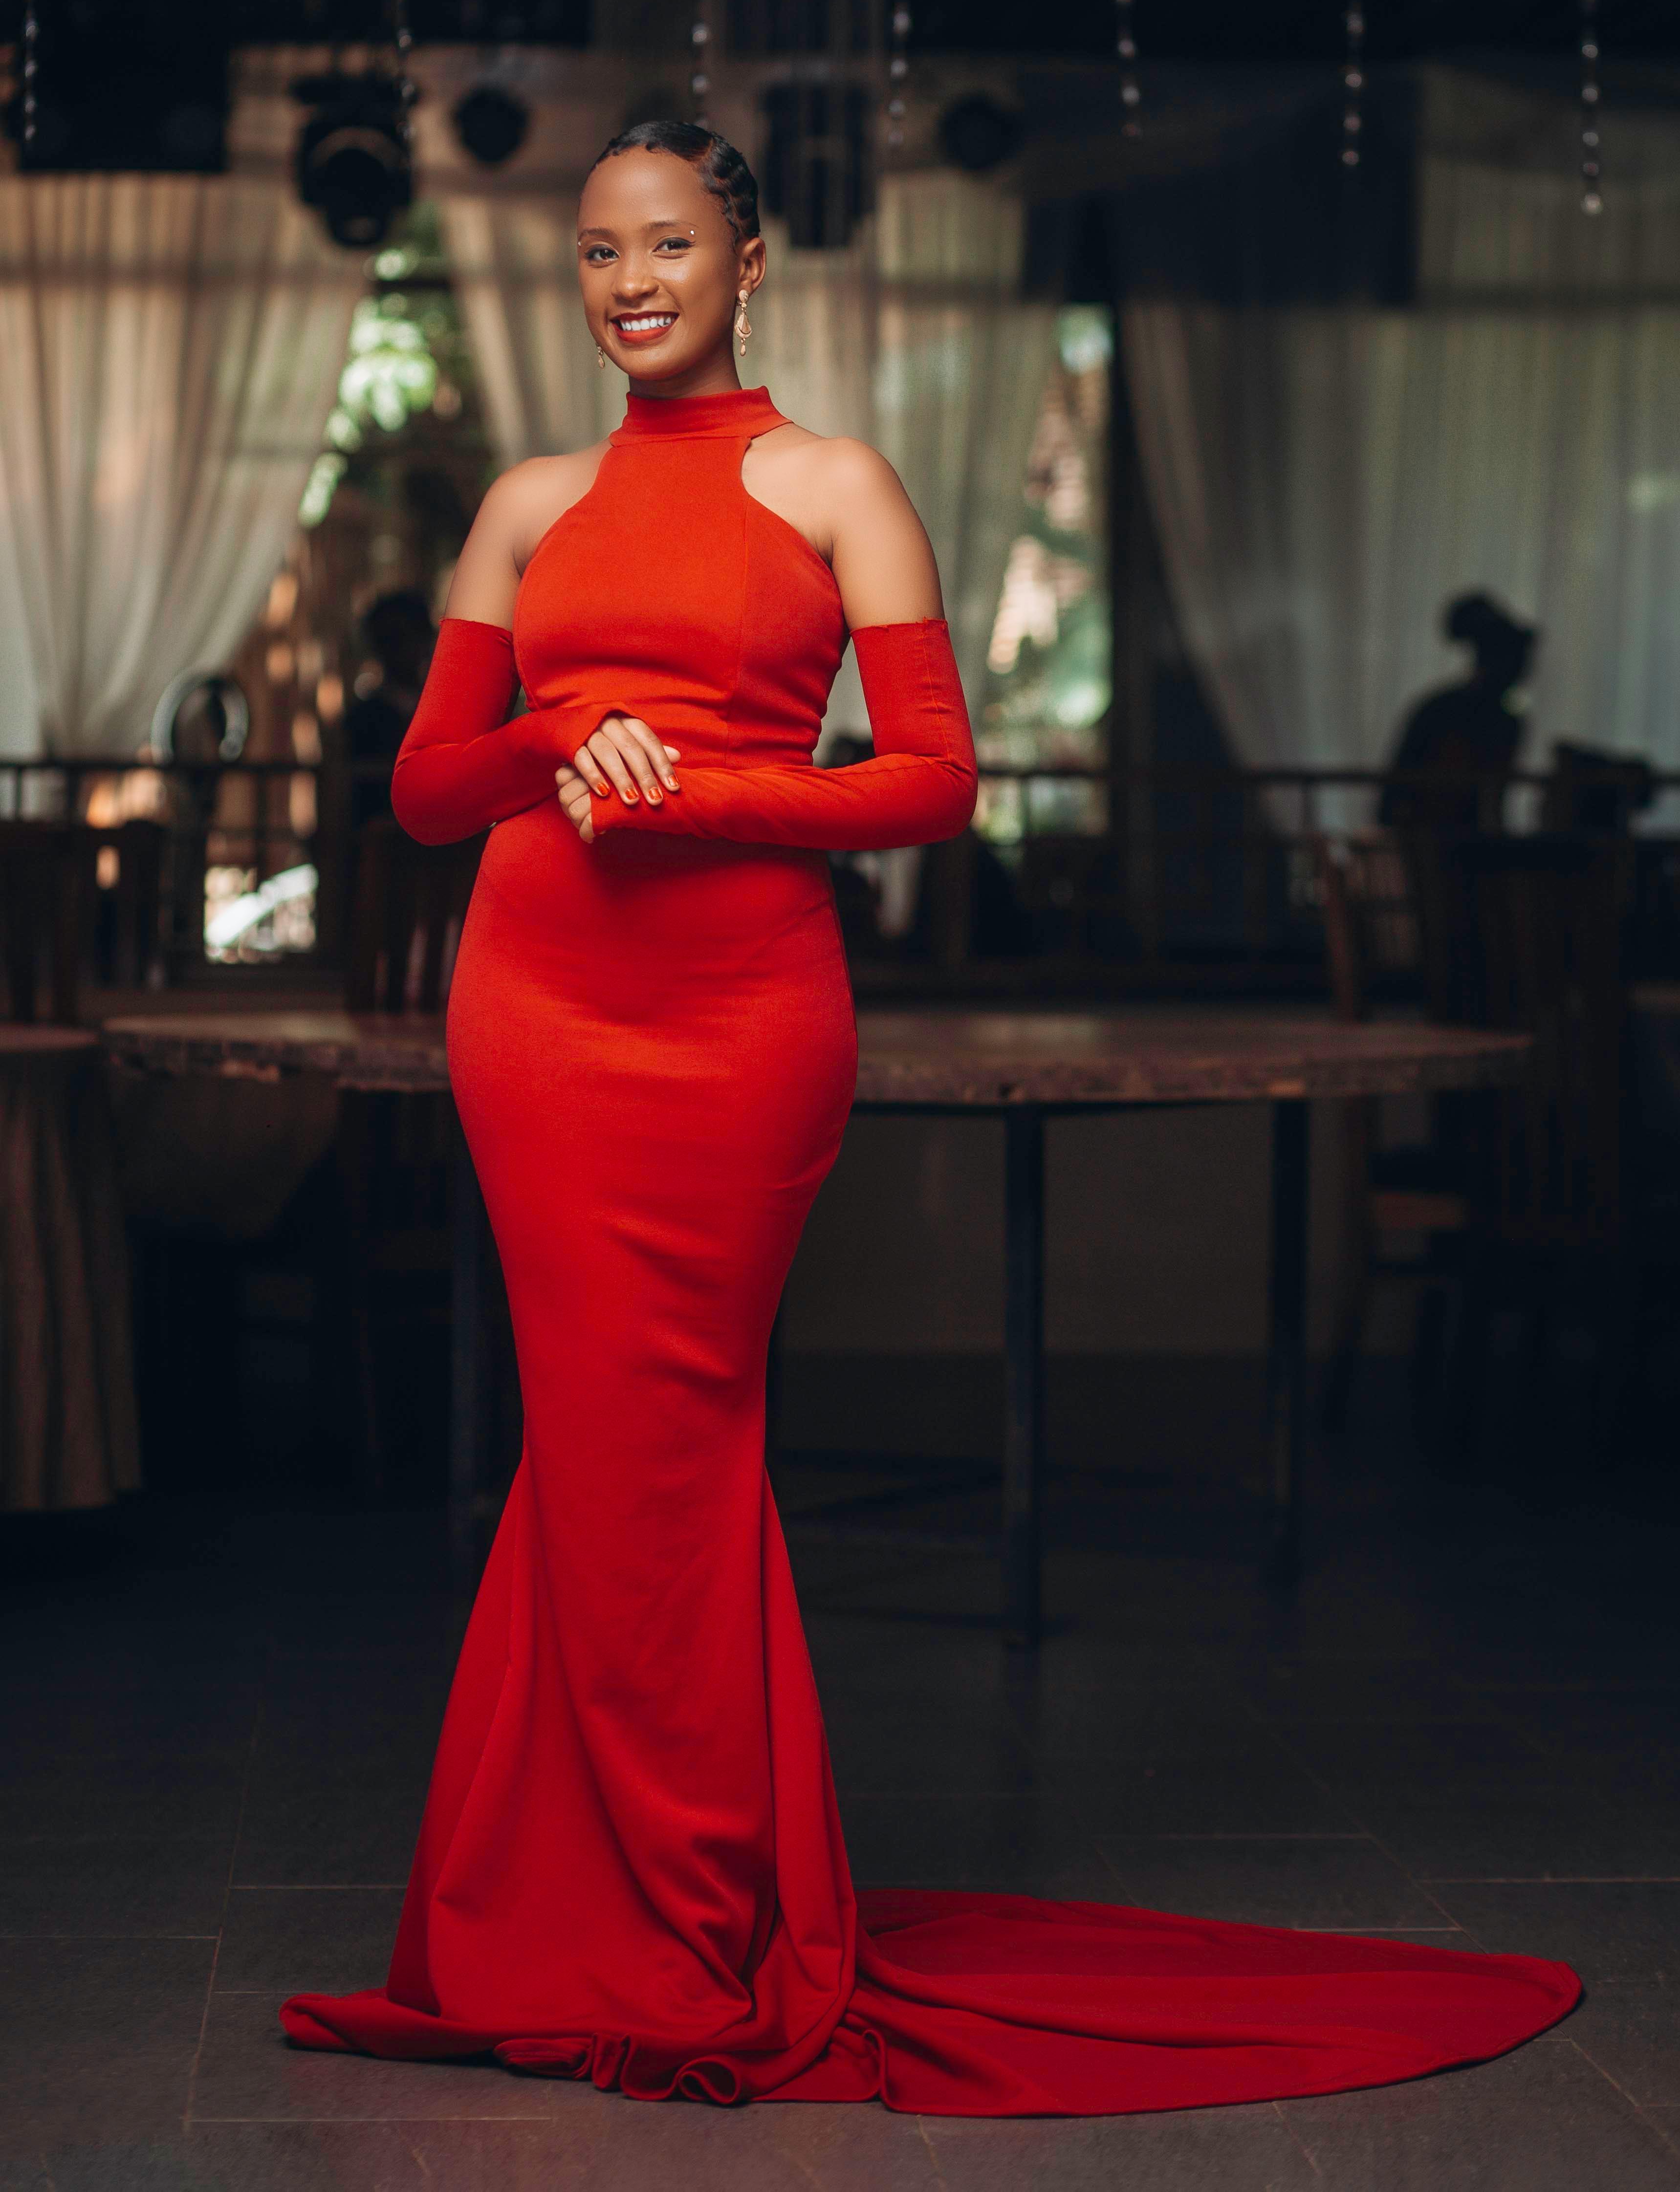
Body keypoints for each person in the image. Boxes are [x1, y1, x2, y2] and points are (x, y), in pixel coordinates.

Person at [282, 123, 1577, 2112]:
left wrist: (704, 791)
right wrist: (552, 734)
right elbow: (428, 792)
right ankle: (568, 1911)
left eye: (670, 243)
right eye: (596, 250)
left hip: (737, 1023)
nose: (631, 279)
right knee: (591, 1440)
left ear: (750, 259)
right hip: (535, 1009)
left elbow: (938, 779)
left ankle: (689, 1915)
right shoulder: (529, 507)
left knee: (678, 1440)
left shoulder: (838, 486)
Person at [1379, 590, 1538, 833]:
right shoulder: (1442, 712)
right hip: (1431, 842)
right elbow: (1396, 798)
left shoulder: (1506, 720)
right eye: (1513, 659)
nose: (1522, 669)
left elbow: (1494, 799)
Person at [344, 589, 437, 825]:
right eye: (391, 639)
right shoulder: (363, 719)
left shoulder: (442, 707)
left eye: (408, 637)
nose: (402, 650)